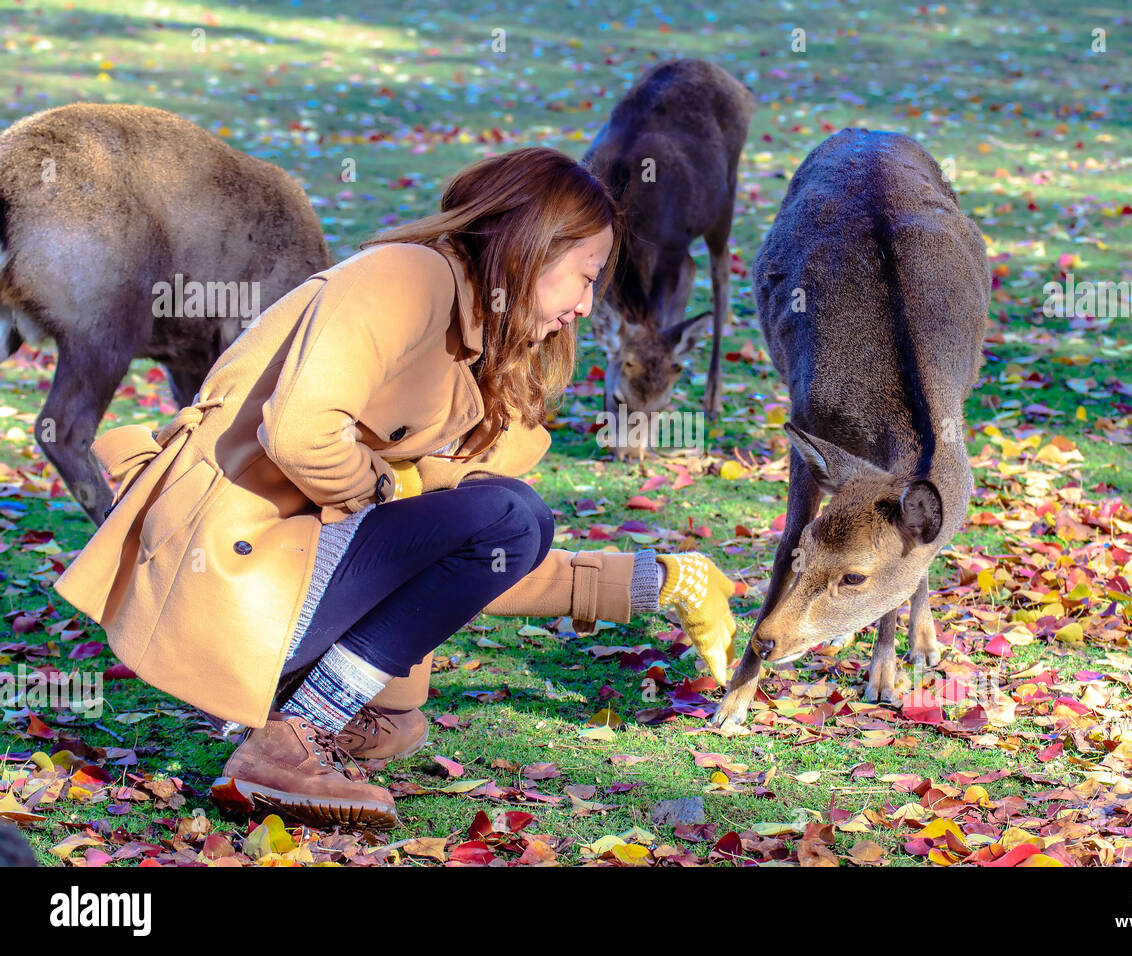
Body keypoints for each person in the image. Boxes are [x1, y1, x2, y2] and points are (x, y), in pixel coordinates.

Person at [52, 147, 738, 830]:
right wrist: (388, 488)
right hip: (224, 573)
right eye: (584, 276)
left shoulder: (474, 362)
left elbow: (477, 564)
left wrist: (660, 581)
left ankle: (301, 724)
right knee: (510, 516)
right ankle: (291, 739)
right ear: (529, 247)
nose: (587, 306)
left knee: (399, 714)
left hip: (280, 586)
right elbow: (298, 432)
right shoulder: (407, 278)